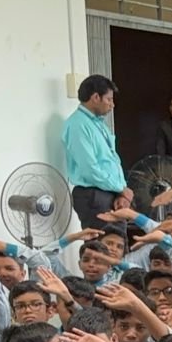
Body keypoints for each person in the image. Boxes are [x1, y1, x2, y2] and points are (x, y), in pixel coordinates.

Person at [62, 75, 128, 229]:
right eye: (109, 99)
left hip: (110, 192)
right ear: (96, 97)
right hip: (94, 195)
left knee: (118, 245)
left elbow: (112, 160)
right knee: (102, 247)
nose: (112, 105)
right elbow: (89, 169)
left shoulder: (99, 124)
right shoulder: (78, 125)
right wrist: (120, 188)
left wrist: (120, 191)